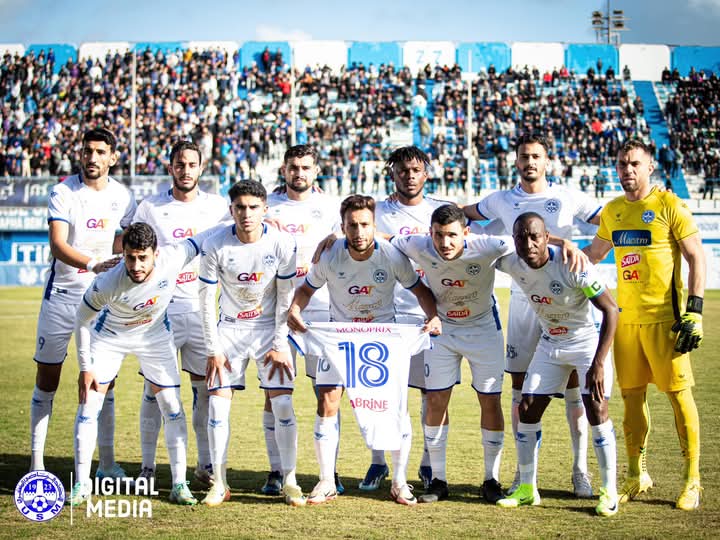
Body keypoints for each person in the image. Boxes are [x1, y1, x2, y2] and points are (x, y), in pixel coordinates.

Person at [463, 133, 602, 498]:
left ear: (547, 161)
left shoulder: (567, 196)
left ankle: (580, 470)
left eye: (536, 156)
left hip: (567, 303)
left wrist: (587, 255)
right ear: (517, 161)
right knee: (522, 391)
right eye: (524, 156)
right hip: (525, 301)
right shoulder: (501, 200)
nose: (530, 162)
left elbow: (612, 220)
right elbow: (463, 216)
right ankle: (524, 476)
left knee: (575, 391)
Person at [287, 194, 442, 506]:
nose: (359, 232)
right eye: (352, 225)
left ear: (374, 224)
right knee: (327, 401)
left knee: (395, 407)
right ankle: (326, 481)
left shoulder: (391, 255)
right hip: (340, 338)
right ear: (342, 226)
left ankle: (399, 482)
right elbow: (306, 289)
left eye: (365, 224)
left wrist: (433, 316)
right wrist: (294, 309)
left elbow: (420, 290)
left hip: (381, 340)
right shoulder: (330, 254)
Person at [584, 139, 706, 511]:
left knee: (679, 398)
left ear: (650, 167)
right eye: (622, 164)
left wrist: (695, 311)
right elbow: (593, 255)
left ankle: (692, 480)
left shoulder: (670, 205)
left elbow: (696, 257)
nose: (628, 170)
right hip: (626, 324)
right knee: (631, 400)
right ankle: (637, 475)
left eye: (635, 163)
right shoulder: (613, 210)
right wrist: (551, 250)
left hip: (666, 322)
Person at [69, 221, 219, 506]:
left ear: (156, 254)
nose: (136, 266)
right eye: (130, 257)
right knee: (89, 404)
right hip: (110, 337)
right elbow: (82, 320)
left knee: (172, 407)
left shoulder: (173, 257)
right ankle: (82, 483)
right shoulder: (107, 281)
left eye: (142, 258)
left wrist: (240, 221)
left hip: (154, 337)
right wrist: (85, 367)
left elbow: (204, 236)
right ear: (123, 254)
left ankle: (179, 485)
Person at [495, 212, 619, 516]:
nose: (528, 244)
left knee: (596, 408)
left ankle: (609, 491)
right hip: (551, 343)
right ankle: (527, 489)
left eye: (534, 236)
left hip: (585, 344)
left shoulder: (572, 264)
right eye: (521, 237)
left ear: (546, 237)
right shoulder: (512, 262)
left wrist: (599, 363)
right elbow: (473, 247)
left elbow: (611, 310)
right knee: (527, 409)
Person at [29, 127, 136, 476]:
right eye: (88, 150)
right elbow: (58, 244)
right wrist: (92, 264)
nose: (92, 157)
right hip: (62, 297)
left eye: (101, 152)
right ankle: (36, 464)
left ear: (113, 157)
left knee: (103, 382)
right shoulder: (63, 192)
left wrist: (119, 256)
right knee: (48, 378)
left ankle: (106, 464)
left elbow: (123, 241)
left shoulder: (123, 196)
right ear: (80, 153)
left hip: (102, 300)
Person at [390, 204, 512, 504]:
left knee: (490, 400)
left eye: (452, 235)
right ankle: (438, 480)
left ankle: (491, 479)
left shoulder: (489, 245)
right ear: (429, 233)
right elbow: (384, 239)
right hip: (442, 330)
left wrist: (565, 244)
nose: (445, 243)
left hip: (483, 330)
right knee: (435, 400)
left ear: (466, 233)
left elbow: (526, 239)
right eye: (438, 235)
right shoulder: (417, 244)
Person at [198, 180, 305, 507]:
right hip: (229, 330)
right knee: (217, 406)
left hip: (269, 330)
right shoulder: (215, 244)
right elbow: (205, 300)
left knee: (283, 405)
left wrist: (280, 343)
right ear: (231, 210)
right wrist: (213, 348)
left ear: (265, 209)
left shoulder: (283, 243)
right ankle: (220, 483)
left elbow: (286, 296)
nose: (246, 214)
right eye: (240, 207)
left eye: (253, 207)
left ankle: (290, 480)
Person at [132, 139, 228, 487]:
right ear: (170, 167)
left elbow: (246, 225)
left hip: (201, 310)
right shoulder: (150, 207)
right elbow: (132, 247)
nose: (186, 170)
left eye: (192, 164)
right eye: (179, 164)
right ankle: (147, 467)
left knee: (204, 390)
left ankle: (205, 465)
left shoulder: (218, 207)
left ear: (201, 168)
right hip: (161, 312)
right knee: (153, 389)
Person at [363, 145, 448, 492]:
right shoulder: (376, 210)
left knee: (432, 394)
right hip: (387, 315)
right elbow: (346, 223)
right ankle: (377, 461)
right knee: (381, 393)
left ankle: (427, 463)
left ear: (426, 173)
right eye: (402, 170)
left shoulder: (441, 211)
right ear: (392, 174)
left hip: (428, 314)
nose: (409, 176)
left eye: (415, 170)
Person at [262, 145, 342, 496]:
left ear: (315, 170)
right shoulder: (266, 204)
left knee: (328, 393)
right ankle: (277, 471)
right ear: (284, 169)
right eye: (293, 167)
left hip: (322, 311)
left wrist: (337, 235)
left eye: (306, 167)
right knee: (275, 394)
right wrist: (263, 223)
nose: (299, 173)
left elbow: (349, 238)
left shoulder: (330, 206)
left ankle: (329, 473)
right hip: (277, 312)